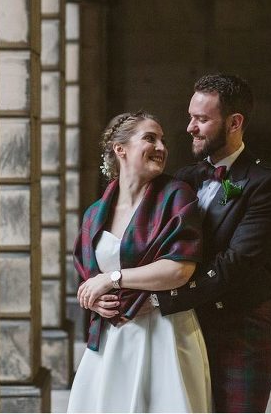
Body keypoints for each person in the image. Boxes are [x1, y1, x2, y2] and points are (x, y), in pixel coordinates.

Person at [154, 74, 271, 413]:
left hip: (240, 336)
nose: (190, 127)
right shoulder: (185, 178)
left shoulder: (266, 185)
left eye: (201, 119)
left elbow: (237, 262)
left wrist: (164, 297)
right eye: (190, 117)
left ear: (234, 123)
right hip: (184, 328)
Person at [68, 111, 211, 413]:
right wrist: (93, 299)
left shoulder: (177, 197)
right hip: (112, 338)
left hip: (166, 333)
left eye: (162, 140)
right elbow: (87, 277)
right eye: (150, 138)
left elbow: (179, 269)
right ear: (120, 149)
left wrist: (113, 279)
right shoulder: (95, 213)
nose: (161, 147)